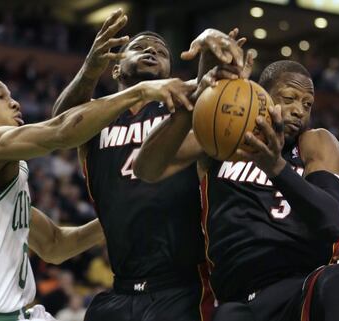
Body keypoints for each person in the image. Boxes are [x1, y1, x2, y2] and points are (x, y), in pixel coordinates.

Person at [0, 34, 189, 320]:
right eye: (0, 97)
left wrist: (125, 208)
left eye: (12, 97)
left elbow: (55, 245)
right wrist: (139, 91)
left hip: (14, 314)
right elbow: (61, 131)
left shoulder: (2, 184)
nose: (14, 103)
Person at [134, 58, 339, 321]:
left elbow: (332, 221)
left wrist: (276, 168)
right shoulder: (226, 133)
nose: (299, 110)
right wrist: (198, 98)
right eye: (289, 98)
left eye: (307, 104)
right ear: (263, 96)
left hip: (298, 289)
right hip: (237, 299)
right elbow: (146, 168)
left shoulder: (315, 143)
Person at [52, 12, 245, 321]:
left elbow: (212, 88)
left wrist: (210, 39)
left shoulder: (183, 110)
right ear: (115, 68)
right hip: (120, 289)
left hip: (182, 289)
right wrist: (89, 69)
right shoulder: (98, 116)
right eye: (141, 45)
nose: (153, 50)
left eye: (162, 51)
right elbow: (58, 131)